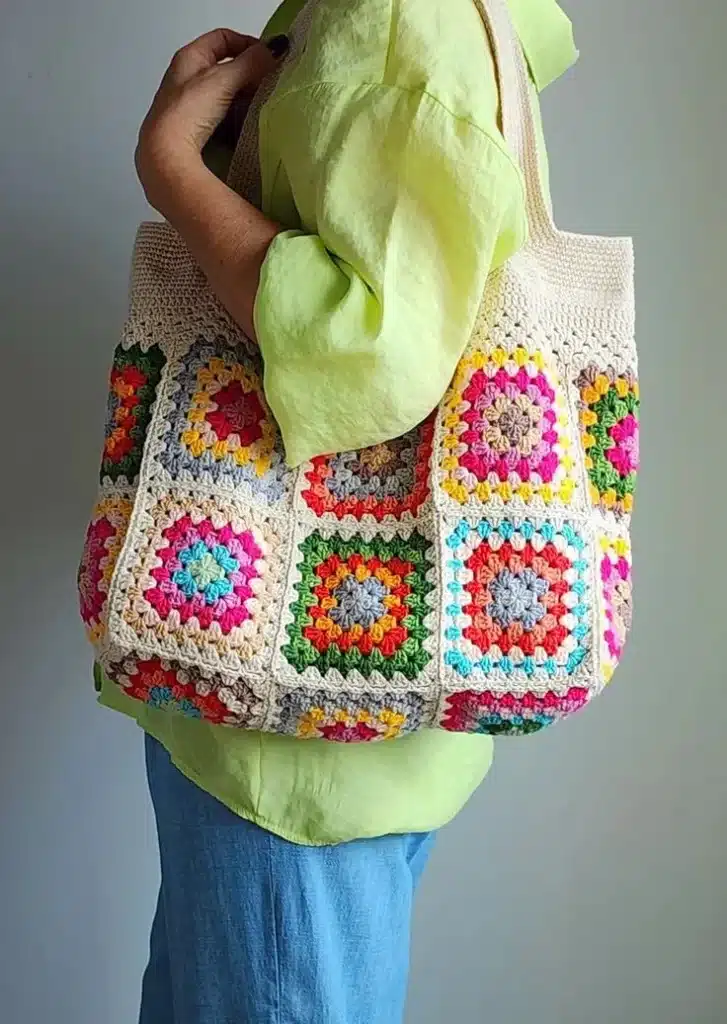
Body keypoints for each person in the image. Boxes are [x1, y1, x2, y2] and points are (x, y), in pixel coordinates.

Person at [104, 0, 578, 1020]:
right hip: (297, 716)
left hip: (291, 745)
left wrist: (174, 172)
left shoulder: (404, 20)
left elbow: (371, 353)